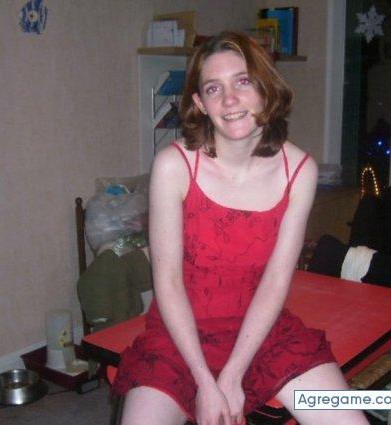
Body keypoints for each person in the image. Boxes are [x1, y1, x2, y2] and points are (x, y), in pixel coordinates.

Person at [112, 31, 369, 425]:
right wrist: (205, 381)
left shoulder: (299, 170)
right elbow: (168, 283)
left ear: (265, 89)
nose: (229, 100)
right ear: (200, 103)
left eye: (243, 81)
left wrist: (231, 375)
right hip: (179, 341)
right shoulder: (173, 166)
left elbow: (276, 281)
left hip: (261, 335)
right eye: (214, 88)